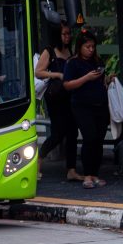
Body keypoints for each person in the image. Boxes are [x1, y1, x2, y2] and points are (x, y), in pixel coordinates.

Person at [63, 30, 112, 189]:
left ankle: (95, 174)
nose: (91, 50)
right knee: (89, 137)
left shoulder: (97, 61)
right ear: (80, 47)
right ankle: (87, 175)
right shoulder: (72, 63)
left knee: (98, 139)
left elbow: (102, 81)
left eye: (93, 46)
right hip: (82, 105)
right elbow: (67, 85)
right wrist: (86, 78)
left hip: (100, 104)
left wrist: (108, 80)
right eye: (87, 46)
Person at [35, 23, 82, 182]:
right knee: (57, 133)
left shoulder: (70, 50)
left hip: (70, 94)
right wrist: (57, 75)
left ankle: (71, 169)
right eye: (64, 34)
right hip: (55, 96)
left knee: (72, 132)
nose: (67, 37)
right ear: (57, 35)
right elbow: (38, 72)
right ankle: (38, 159)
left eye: (69, 34)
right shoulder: (49, 51)